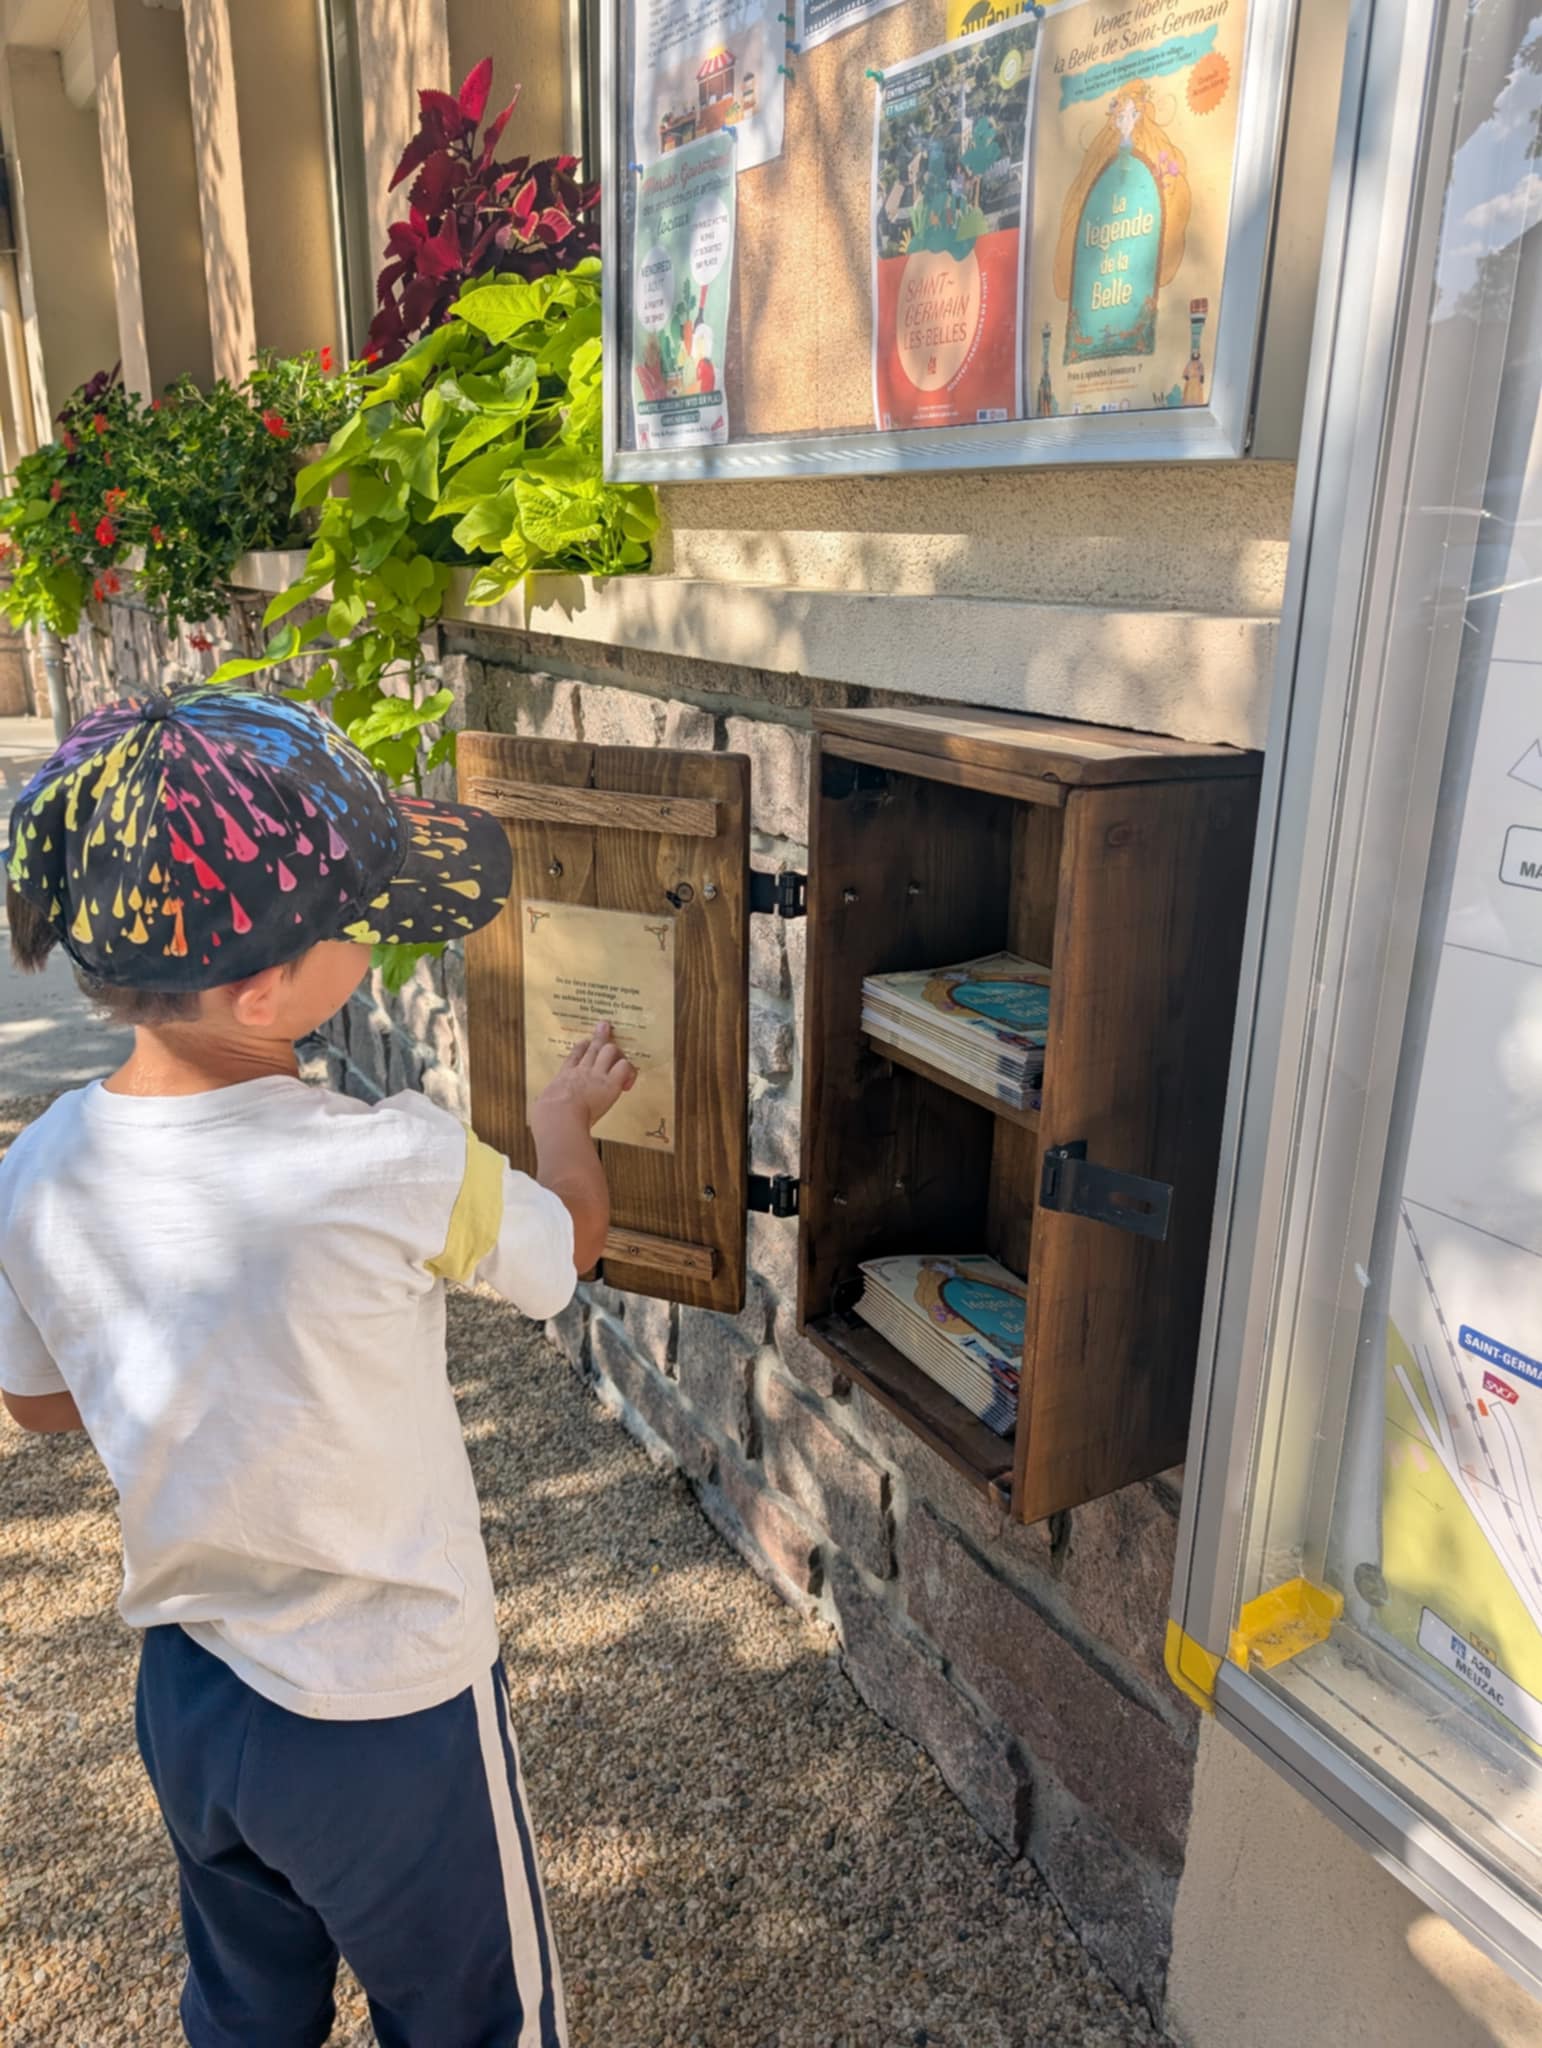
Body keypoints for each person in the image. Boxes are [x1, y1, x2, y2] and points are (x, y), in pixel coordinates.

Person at [0, 687, 635, 2048]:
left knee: (243, 2006)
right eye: (362, 921)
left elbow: (41, 1404)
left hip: (193, 1693)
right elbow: (565, 1248)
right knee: (476, 2018)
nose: (380, 940)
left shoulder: (39, 1163)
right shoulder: (391, 1162)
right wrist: (557, 1118)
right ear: (264, 986)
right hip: (387, 1706)